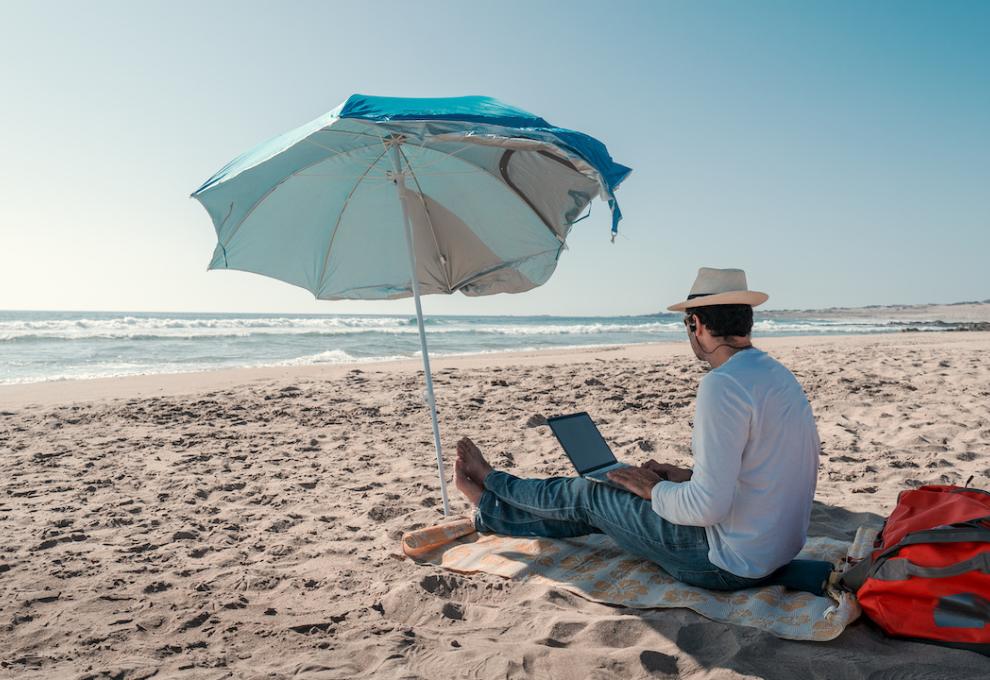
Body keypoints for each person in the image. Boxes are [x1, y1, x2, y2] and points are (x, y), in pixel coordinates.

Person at [453, 267, 821, 590]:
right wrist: (685, 477)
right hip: (776, 548)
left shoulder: (722, 384)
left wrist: (655, 489)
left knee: (590, 495)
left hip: (728, 563)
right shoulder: (775, 374)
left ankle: (494, 481)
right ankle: (491, 510)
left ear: (696, 325)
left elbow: (707, 508)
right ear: (746, 323)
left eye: (687, 325)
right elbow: (768, 467)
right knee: (611, 501)